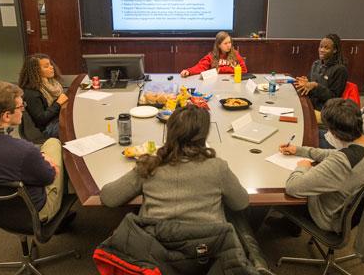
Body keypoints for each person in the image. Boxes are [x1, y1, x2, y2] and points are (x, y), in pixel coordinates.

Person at [101, 104, 249, 223]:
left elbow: (109, 198)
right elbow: (240, 203)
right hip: (204, 251)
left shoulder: (149, 167)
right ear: (203, 136)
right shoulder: (218, 168)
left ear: (169, 132)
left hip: (155, 250)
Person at [0, 82, 65, 222]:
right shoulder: (24, 151)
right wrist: (45, 160)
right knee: (53, 143)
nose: (23, 110)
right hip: (31, 215)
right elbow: (48, 178)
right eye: (20, 107)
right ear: (6, 116)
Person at [279, 98, 364, 232]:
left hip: (328, 217)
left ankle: (284, 228)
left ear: (334, 133)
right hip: (346, 205)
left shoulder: (342, 162)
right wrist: (300, 150)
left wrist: (303, 167)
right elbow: (335, 153)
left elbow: (292, 188)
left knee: (280, 189)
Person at [295, 34, 348, 113]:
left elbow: (334, 98)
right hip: (310, 104)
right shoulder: (316, 64)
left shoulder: (340, 70)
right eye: (321, 47)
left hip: (324, 110)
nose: (322, 50)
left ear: (335, 50)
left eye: (326, 48)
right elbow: (309, 83)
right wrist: (305, 83)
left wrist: (315, 86)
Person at [18, 54, 68, 138]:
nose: (51, 67)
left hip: (55, 118)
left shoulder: (52, 83)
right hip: (47, 128)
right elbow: (41, 119)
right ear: (35, 71)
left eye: (51, 64)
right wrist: (58, 103)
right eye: (46, 66)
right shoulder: (31, 92)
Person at [180, 31, 247, 77]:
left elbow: (244, 70)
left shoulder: (235, 54)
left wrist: (221, 70)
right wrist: (188, 71)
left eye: (229, 42)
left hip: (232, 83)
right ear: (219, 45)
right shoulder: (212, 55)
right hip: (216, 84)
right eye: (225, 43)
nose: (229, 45)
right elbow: (200, 67)